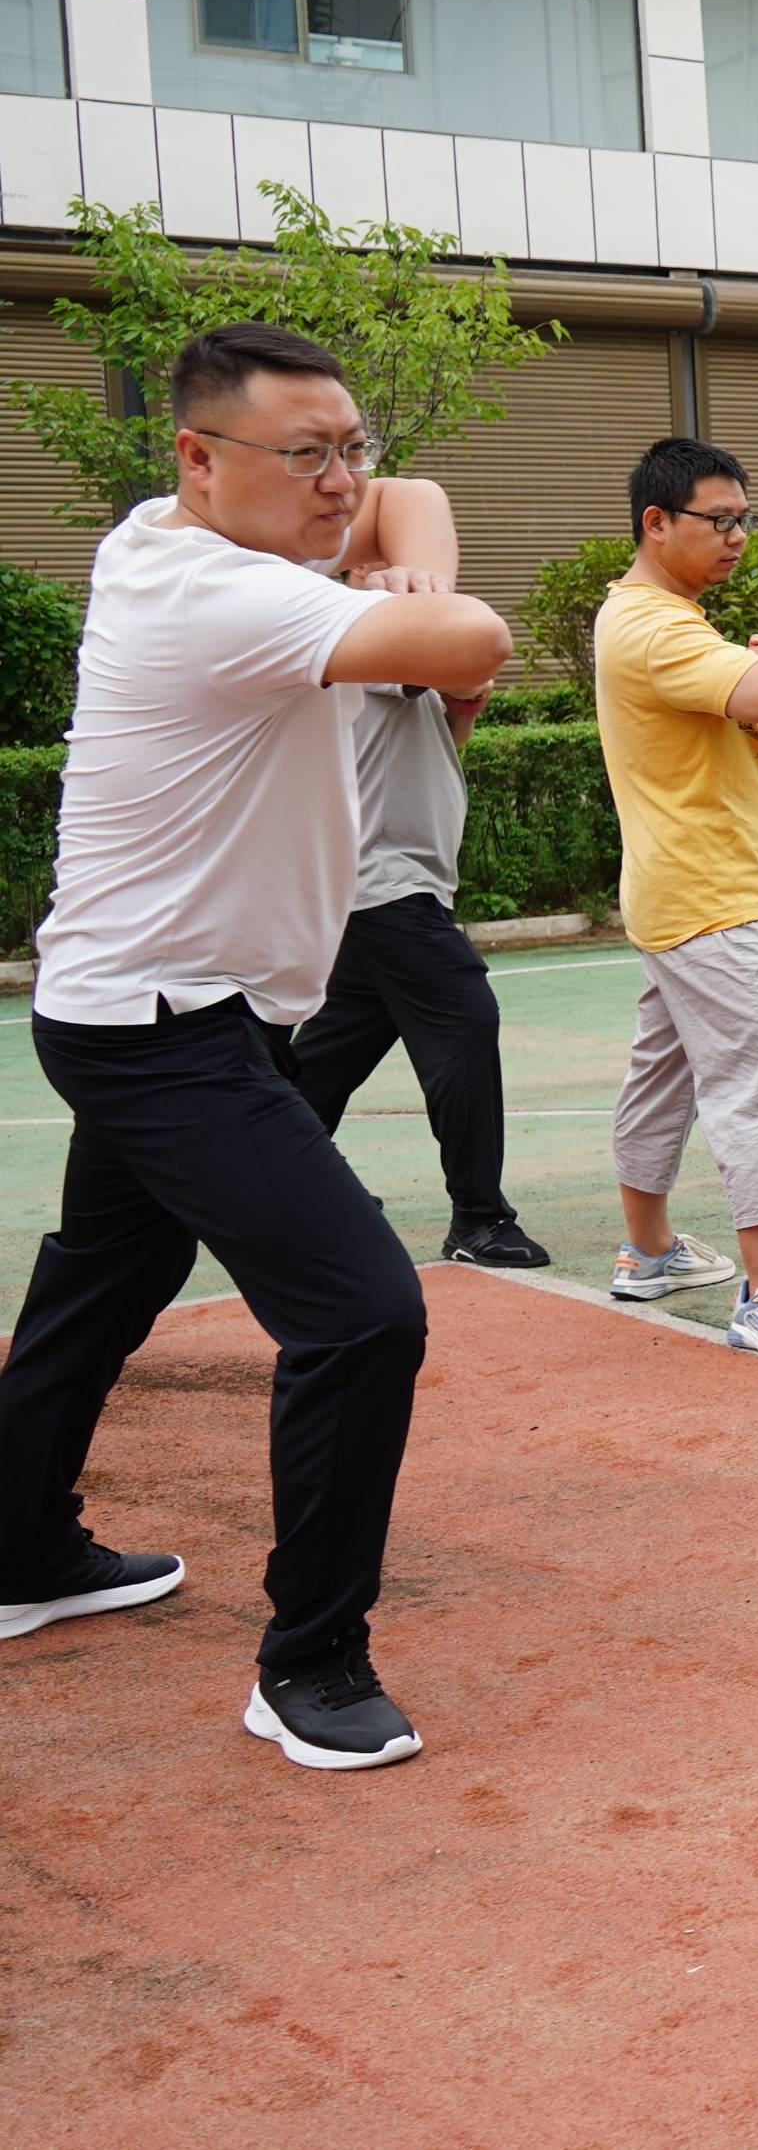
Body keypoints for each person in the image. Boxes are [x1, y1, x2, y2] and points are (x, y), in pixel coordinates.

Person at [0, 322, 510, 1770]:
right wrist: (410, 584)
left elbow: (408, 510)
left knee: (107, 1282)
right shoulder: (213, 594)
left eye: (347, 444)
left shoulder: (165, 538)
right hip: (165, 1029)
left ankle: (17, 1545)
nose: (341, 477)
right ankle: (310, 1661)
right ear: (198, 456)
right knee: (362, 1312)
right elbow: (471, 640)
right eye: (306, 453)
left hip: (152, 1006)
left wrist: (386, 531)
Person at [595, 437, 758, 1363]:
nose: (738, 536)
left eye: (745, 518)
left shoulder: (649, 616)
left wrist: (747, 663)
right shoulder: (658, 625)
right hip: (714, 898)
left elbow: (743, 691)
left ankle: (649, 1247)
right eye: (719, 520)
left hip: (678, 893)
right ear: (657, 524)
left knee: (664, 1072)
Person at [290, 476, 550, 1273]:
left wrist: (461, 707)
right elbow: (462, 642)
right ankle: (479, 1216)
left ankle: (283, 1183)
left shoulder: (378, 642)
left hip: (387, 884)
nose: (395, 571)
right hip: (386, 885)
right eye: (377, 560)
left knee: (318, 1063)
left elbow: (441, 735)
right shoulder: (356, 630)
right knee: (465, 1021)